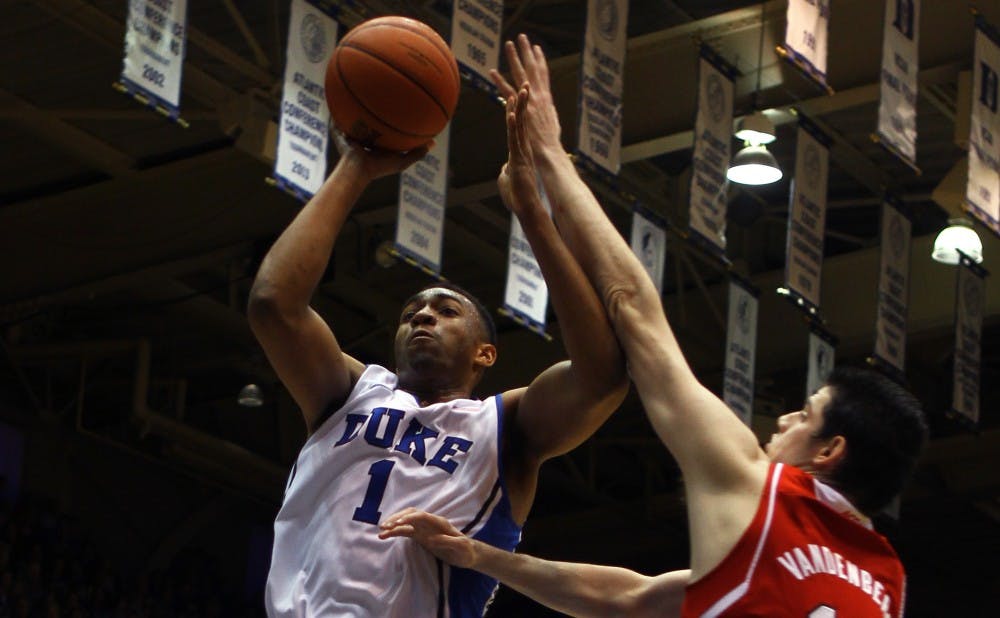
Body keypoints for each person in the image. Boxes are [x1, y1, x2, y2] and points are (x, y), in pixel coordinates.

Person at [379, 35, 928, 618]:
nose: (786, 417)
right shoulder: (886, 581)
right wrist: (479, 555)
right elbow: (631, 596)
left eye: (806, 414)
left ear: (831, 450)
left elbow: (634, 308)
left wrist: (550, 157)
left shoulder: (759, 492)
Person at [247, 124, 628, 615]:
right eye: (410, 315)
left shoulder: (505, 427)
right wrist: (356, 166)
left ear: (485, 354)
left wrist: (533, 216)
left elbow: (603, 376)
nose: (423, 316)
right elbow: (273, 305)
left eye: (447, 312)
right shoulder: (347, 393)